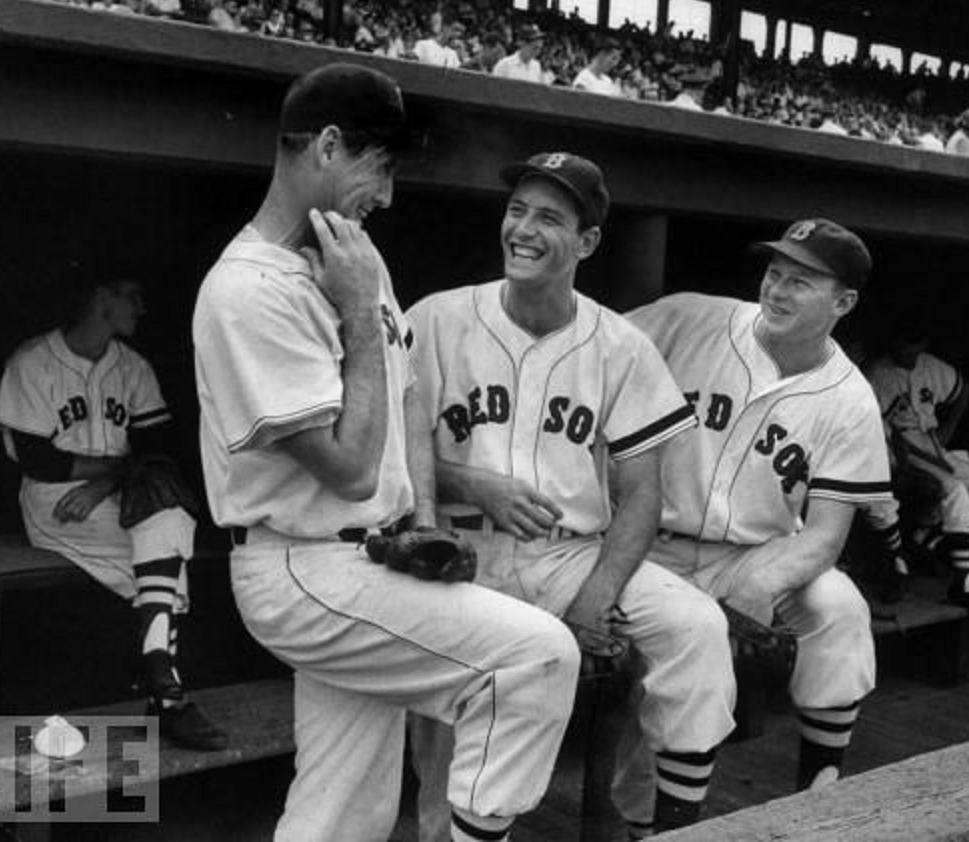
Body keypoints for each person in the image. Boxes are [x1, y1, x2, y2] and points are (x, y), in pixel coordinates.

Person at [191, 63, 580, 842]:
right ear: (329, 146)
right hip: (301, 568)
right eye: (382, 165)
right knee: (537, 659)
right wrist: (360, 317)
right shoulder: (248, 290)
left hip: (368, 555)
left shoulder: (352, 256)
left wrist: (422, 517)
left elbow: (403, 394)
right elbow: (349, 465)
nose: (390, 193)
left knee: (344, 811)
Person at [406, 151, 735, 841]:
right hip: (459, 549)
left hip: (569, 558)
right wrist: (472, 482)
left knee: (696, 629)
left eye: (548, 217)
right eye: (517, 210)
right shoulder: (435, 318)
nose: (522, 228)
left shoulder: (620, 343)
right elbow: (386, 460)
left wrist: (599, 596)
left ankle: (667, 827)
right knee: (444, 740)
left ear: (586, 242)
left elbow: (643, 494)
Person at [625, 219, 892, 801]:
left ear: (843, 302)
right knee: (657, 723)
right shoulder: (693, 317)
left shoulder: (850, 398)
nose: (776, 289)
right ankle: (659, 825)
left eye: (800, 281)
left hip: (749, 554)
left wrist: (763, 583)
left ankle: (820, 795)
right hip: (644, 546)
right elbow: (592, 349)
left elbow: (825, 537)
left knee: (839, 606)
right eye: (774, 273)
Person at [0, 268, 228, 751]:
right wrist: (114, 472)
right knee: (166, 567)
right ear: (102, 298)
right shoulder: (34, 362)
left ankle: (165, 685)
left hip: (113, 493)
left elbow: (156, 447)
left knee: (169, 516)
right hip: (58, 503)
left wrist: (105, 482)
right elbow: (41, 459)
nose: (141, 308)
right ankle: (167, 694)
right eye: (132, 297)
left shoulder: (133, 366)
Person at [867, 329, 969, 623]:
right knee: (954, 491)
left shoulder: (929, 365)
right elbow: (880, 431)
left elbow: (963, 389)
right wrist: (909, 463)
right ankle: (964, 583)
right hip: (897, 449)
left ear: (923, 343)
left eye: (913, 345)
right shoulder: (878, 373)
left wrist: (949, 428)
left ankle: (923, 539)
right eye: (902, 344)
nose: (907, 352)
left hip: (933, 444)